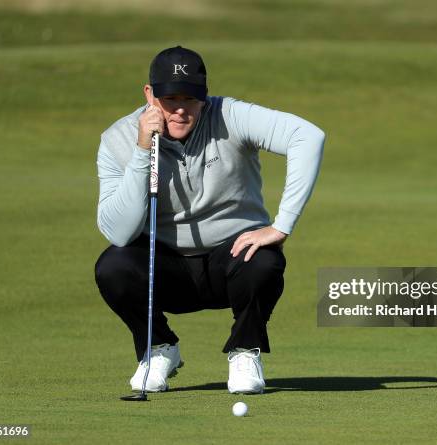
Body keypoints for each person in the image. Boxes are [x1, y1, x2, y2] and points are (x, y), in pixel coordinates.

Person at [94, 46, 325, 394]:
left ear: (205, 95)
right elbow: (119, 232)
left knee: (264, 260)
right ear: (149, 94)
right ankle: (158, 349)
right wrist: (143, 150)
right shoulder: (119, 139)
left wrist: (281, 225)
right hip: (165, 269)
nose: (181, 109)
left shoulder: (229, 114)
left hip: (232, 261)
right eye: (170, 99)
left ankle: (245, 350)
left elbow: (308, 136)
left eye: (192, 98)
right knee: (113, 266)